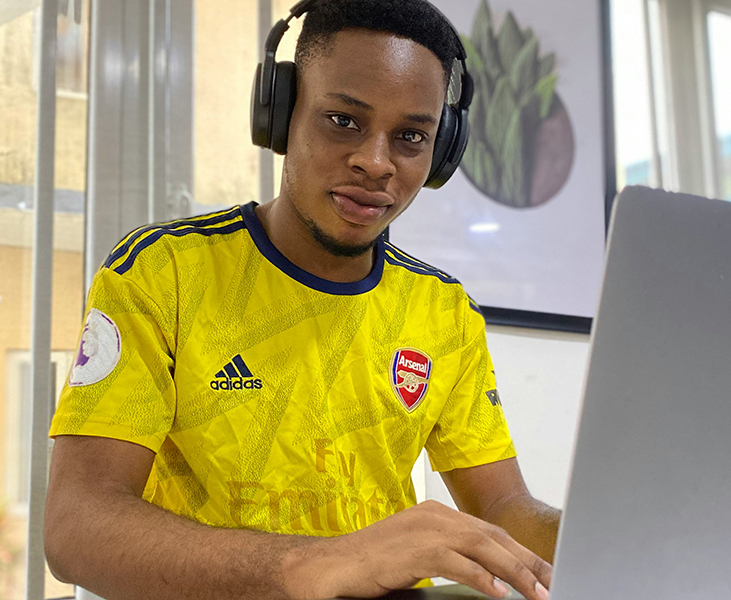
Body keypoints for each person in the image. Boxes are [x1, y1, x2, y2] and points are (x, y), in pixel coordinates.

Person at [44, 1, 561, 598]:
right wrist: (313, 565)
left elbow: (501, 505)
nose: (375, 162)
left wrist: (613, 535)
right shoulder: (164, 274)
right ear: (280, 114)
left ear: (441, 151)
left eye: (411, 136)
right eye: (343, 120)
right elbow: (76, 526)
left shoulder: (443, 310)